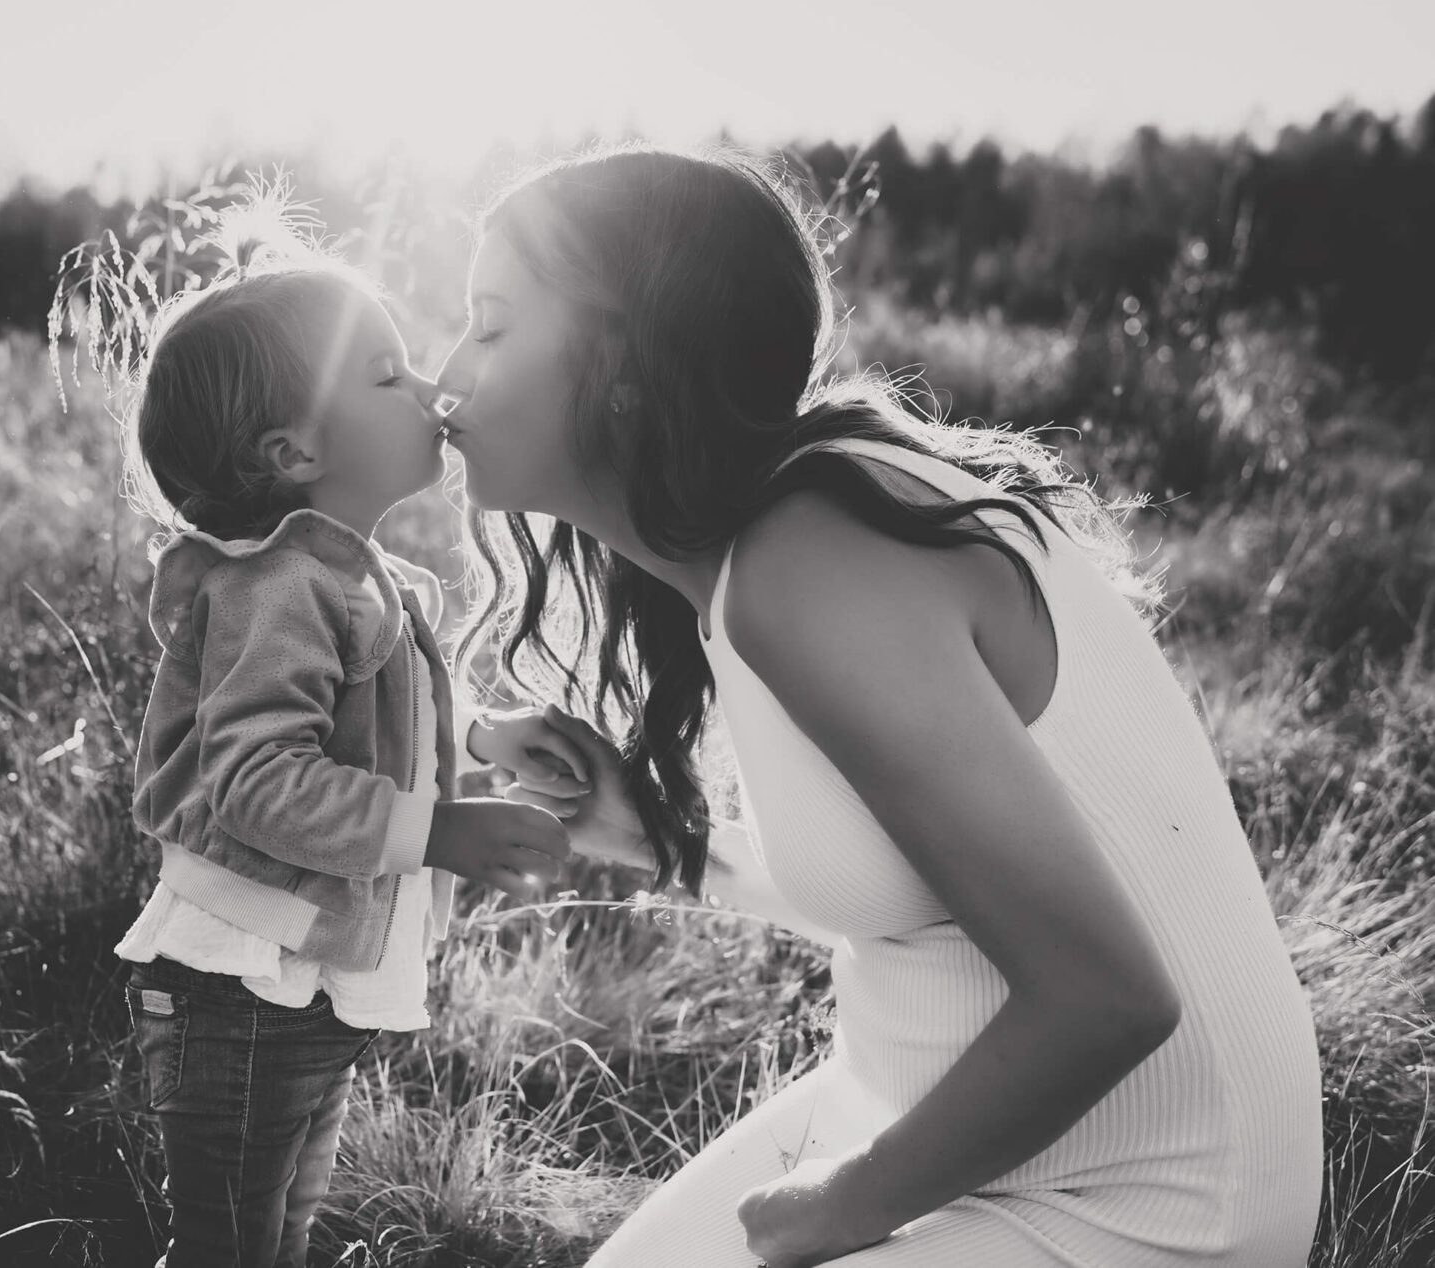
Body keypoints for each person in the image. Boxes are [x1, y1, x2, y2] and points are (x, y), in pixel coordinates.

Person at [433, 143, 1322, 1266]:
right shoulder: (771, 544)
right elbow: (901, 880)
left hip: (1146, 1199)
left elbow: (1107, 996)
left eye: (491, 322)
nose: (446, 368)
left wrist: (844, 1206)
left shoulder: (816, 561)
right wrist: (653, 836)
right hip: (939, 1115)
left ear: (626, 361)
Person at [113, 220, 587, 1268]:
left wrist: (491, 737)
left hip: (302, 984)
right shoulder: (280, 586)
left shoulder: (351, 574)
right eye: (386, 373)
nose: (426, 387)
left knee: (277, 1231)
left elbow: (376, 728)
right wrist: (437, 831)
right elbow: (257, 779)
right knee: (228, 1245)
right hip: (240, 989)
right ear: (293, 452)